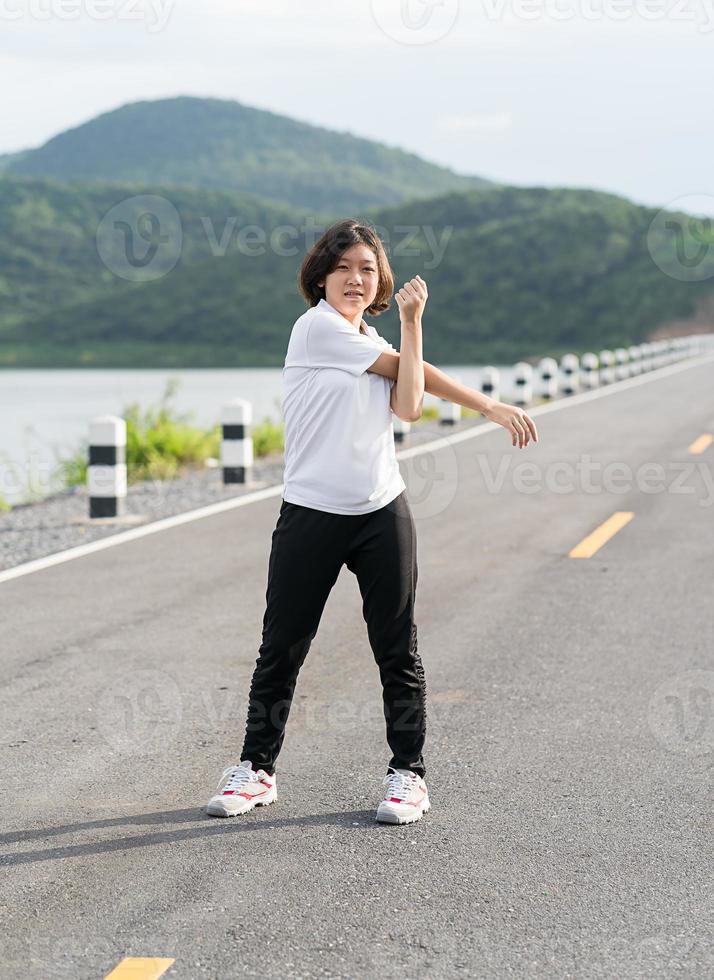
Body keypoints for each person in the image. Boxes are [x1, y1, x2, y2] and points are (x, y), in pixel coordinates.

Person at [205, 218, 538, 825]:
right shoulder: (317, 330)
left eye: (367, 269)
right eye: (343, 269)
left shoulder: (377, 338)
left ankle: (408, 776)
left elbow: (408, 405)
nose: (356, 280)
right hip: (312, 512)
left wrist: (412, 325)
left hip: (381, 510)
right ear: (321, 278)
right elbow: (406, 380)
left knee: (396, 647)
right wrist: (486, 403)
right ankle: (256, 769)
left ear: (381, 277)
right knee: (282, 645)